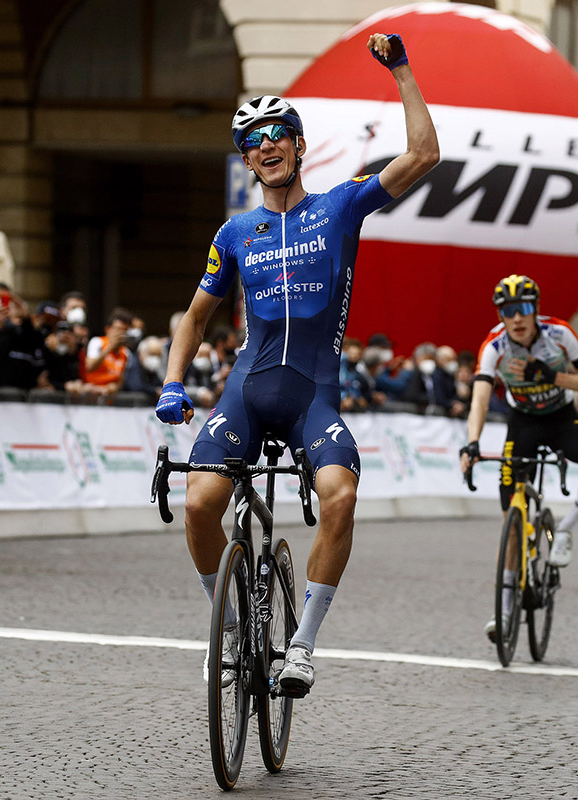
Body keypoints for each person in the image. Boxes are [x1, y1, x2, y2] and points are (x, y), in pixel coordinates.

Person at [155, 32, 438, 695]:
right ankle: (229, 628)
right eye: (252, 141)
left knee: (340, 495)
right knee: (198, 506)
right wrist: (172, 382)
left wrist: (401, 70)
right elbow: (195, 317)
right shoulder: (235, 233)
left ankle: (303, 645)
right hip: (246, 393)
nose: (267, 145)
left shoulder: (340, 206)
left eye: (277, 133)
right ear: (247, 160)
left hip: (313, 395)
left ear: (300, 145)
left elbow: (424, 155)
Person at [458, 274, 578, 639]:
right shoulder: (494, 346)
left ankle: (564, 530)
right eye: (508, 311)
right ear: (500, 315)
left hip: (563, 420)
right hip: (523, 427)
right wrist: (472, 442)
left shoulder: (559, 334)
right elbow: (480, 398)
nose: (516, 318)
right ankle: (503, 614)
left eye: (523, 309)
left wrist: (552, 377)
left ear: (535, 310)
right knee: (511, 524)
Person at [84, 307, 136, 393]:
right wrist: (109, 348)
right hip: (90, 392)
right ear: (108, 329)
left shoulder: (126, 353)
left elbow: (121, 380)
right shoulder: (97, 342)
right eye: (118, 329)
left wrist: (114, 387)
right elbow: (90, 366)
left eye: (125, 330)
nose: (121, 334)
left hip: (109, 395)